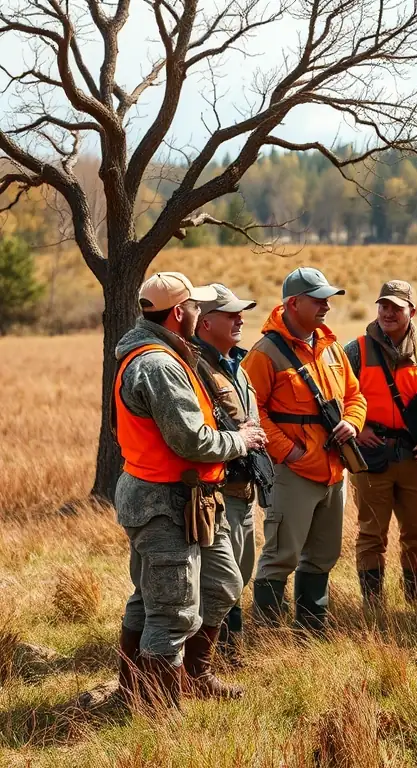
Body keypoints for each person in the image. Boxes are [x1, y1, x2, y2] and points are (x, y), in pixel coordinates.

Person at [114, 272, 266, 706]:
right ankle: (154, 705)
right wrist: (243, 440)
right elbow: (192, 441)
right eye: (196, 306)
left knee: (221, 585)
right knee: (169, 607)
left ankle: (195, 677)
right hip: (161, 503)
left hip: (194, 499)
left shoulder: (172, 354)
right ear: (179, 313)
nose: (200, 314)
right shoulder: (158, 365)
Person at [243, 267, 367, 631]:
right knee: (281, 555)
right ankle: (267, 632)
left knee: (324, 555)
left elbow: (355, 395)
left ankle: (312, 630)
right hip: (292, 473)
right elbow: (253, 412)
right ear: (294, 304)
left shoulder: (331, 346)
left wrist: (353, 423)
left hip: (333, 470)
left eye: (328, 299)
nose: (326, 306)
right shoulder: (265, 353)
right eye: (319, 300)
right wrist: (289, 453)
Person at [343, 281, 417, 606]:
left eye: (396, 308)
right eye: (383, 306)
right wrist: (356, 428)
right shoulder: (356, 350)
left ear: (412, 311)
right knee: (371, 533)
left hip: (413, 457)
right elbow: (337, 398)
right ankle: (373, 604)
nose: (388, 313)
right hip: (369, 458)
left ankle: (416, 601)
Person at [194, 284, 260, 664]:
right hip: (218, 491)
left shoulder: (234, 362)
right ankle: (210, 658)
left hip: (243, 487)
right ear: (205, 322)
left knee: (241, 571)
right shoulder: (196, 368)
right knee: (221, 578)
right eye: (231, 314)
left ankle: (228, 651)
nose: (240, 319)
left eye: (240, 312)